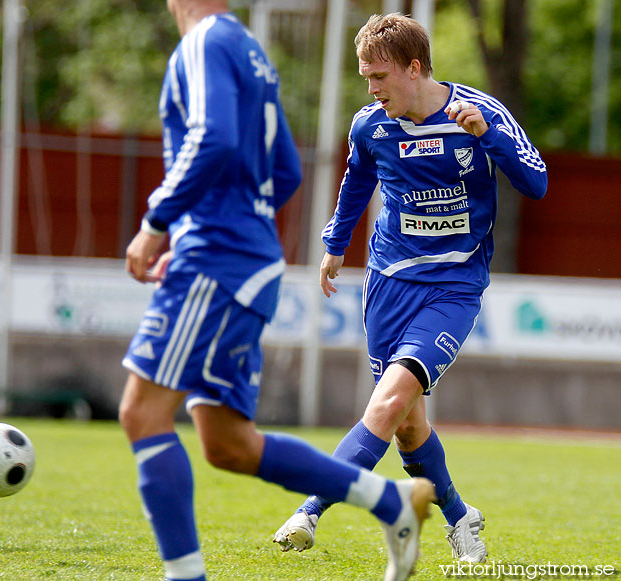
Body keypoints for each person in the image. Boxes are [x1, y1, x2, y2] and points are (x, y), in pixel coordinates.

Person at [119, 2, 435, 580]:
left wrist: (160, 223)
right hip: (246, 254)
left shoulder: (202, 42)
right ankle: (393, 504)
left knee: (142, 413)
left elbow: (212, 137)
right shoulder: (249, 50)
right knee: (228, 444)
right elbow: (284, 168)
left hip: (217, 254)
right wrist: (241, 219)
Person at [273, 13, 547, 564]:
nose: (371, 90)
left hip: (452, 285)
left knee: (392, 398)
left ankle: (309, 511)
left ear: (414, 68)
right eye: (364, 78)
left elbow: (535, 183)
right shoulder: (371, 125)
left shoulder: (480, 112)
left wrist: (488, 138)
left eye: (378, 77)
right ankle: (459, 517)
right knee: (406, 424)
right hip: (388, 283)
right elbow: (357, 181)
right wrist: (333, 244)